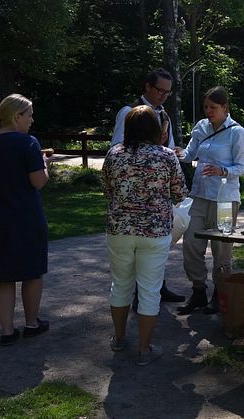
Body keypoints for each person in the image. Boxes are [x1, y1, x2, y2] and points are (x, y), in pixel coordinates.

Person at [102, 105, 187, 365]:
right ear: (154, 129)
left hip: (120, 229)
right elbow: (180, 193)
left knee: (121, 286)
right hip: (155, 231)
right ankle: (144, 349)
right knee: (150, 291)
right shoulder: (166, 156)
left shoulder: (114, 154)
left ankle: (118, 339)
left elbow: (107, 189)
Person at [0, 94, 50, 346]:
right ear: (16, 116)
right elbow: (38, 181)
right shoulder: (28, 143)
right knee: (32, 272)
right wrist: (44, 163)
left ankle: (7, 331)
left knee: (2, 275)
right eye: (29, 114)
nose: (32, 119)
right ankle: (31, 324)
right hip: (26, 216)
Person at [110, 69, 183, 303]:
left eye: (167, 92)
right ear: (148, 87)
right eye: (159, 90)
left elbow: (168, 146)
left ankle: (156, 287)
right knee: (130, 263)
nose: (163, 96)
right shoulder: (129, 112)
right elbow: (118, 147)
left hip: (156, 193)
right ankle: (141, 295)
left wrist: (173, 153)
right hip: (132, 192)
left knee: (154, 251)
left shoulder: (165, 116)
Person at [175, 86, 244, 315]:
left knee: (221, 250)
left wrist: (222, 170)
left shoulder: (237, 132)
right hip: (199, 195)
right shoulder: (201, 127)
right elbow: (189, 155)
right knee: (190, 244)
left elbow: (241, 167)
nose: (208, 111)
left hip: (225, 199)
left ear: (225, 107)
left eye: (213, 107)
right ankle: (198, 291)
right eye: (206, 107)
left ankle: (220, 294)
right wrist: (174, 152)